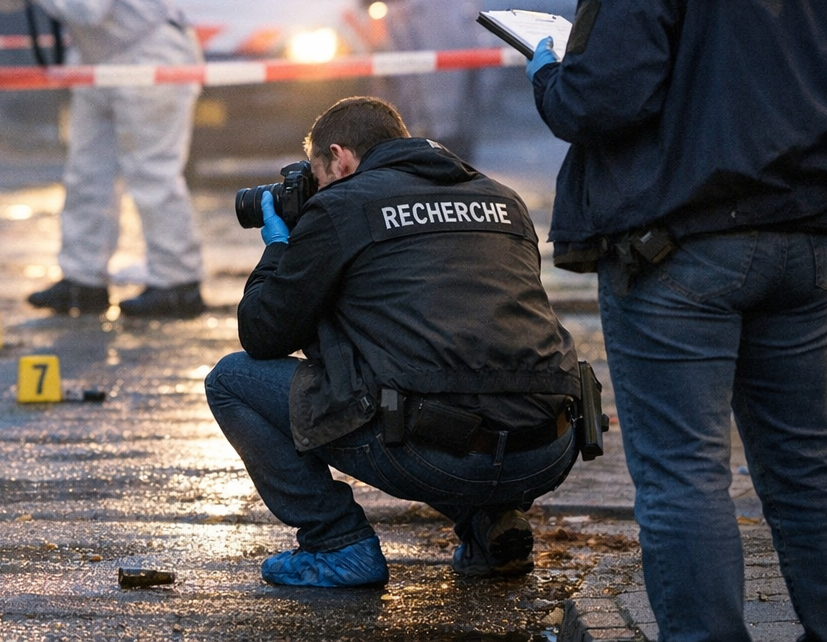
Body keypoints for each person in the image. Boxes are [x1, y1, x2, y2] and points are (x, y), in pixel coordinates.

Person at [528, 0, 827, 642]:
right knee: (804, 466)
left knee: (683, 475)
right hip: (807, 242)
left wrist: (545, 68)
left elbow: (600, 102)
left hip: (680, 252)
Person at [204, 97, 582, 587]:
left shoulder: (341, 206)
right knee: (445, 376)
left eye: (316, 177)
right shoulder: (502, 198)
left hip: (436, 454)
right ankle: (488, 525)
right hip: (547, 449)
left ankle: (336, 542)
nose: (315, 193)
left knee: (232, 380)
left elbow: (262, 334)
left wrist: (281, 248)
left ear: (340, 158)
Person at [0, 0, 205, 318]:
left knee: (152, 173)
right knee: (87, 172)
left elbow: (88, 5)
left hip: (148, 56)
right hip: (103, 60)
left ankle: (177, 282)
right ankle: (83, 279)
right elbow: (10, 0)